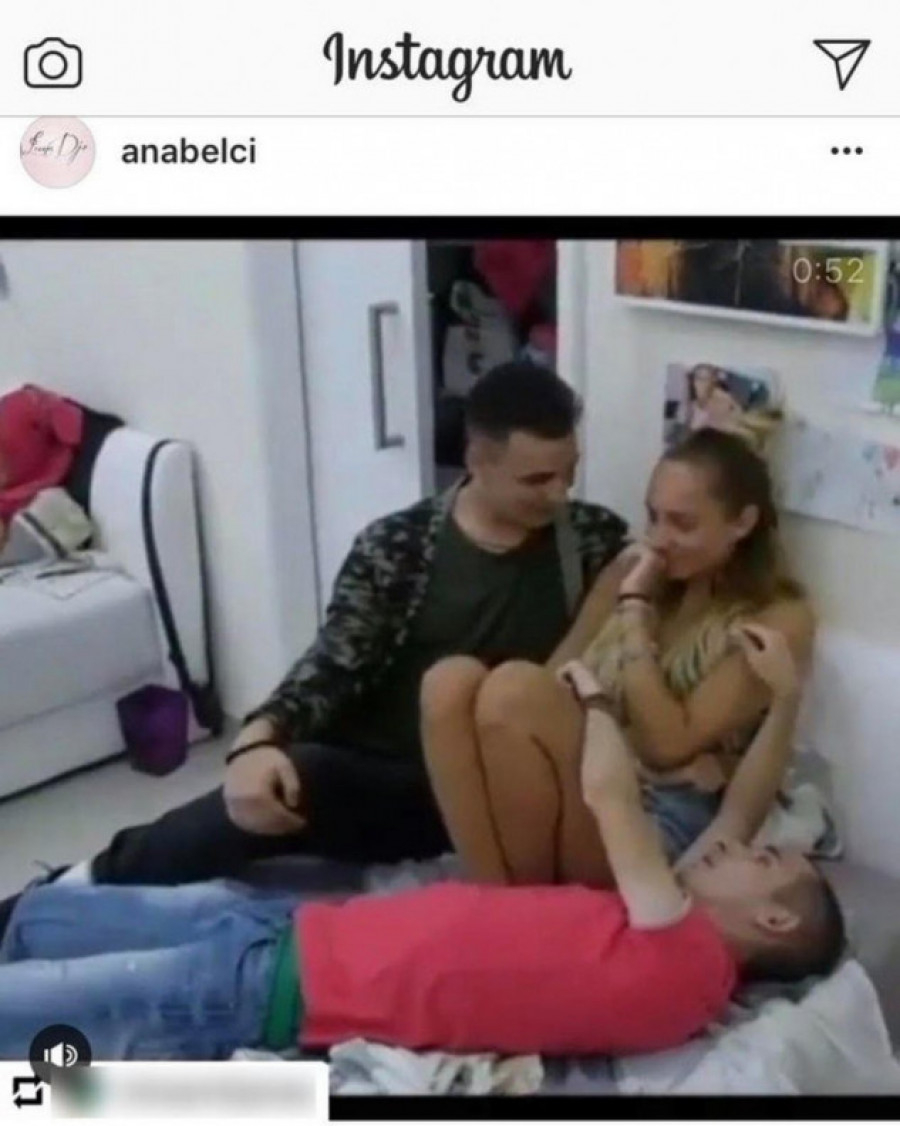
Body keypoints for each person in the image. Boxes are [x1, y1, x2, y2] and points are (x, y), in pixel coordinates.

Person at [0, 627, 845, 1063]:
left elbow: (611, 797)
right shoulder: (680, 915)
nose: (744, 849)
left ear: (773, 922)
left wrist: (593, 700)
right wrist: (784, 701)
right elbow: (739, 811)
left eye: (766, 860)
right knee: (47, 919)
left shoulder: (688, 965)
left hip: (269, 986)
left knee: (48, 999)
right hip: (290, 926)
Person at [1, 362, 626, 918]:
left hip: (505, 791)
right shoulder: (401, 547)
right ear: (477, 461)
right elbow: (335, 660)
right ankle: (64, 893)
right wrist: (258, 738)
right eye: (536, 480)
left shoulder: (592, 541)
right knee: (277, 787)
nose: (558, 494)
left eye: (568, 474)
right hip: (389, 773)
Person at [420, 428, 815, 885]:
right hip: (602, 769)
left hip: (661, 814)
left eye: (682, 523)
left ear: (742, 522)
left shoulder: (777, 618)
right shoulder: (633, 568)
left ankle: (519, 906)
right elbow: (554, 679)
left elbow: (666, 747)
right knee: (449, 682)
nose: (659, 539)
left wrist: (634, 614)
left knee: (514, 691)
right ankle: (495, 896)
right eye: (653, 517)